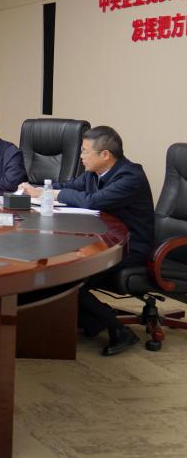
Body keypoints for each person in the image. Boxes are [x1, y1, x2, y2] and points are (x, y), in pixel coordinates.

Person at [19, 126, 154, 356]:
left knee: (66, 279)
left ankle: (119, 330)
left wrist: (50, 194)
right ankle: (92, 318)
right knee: (55, 273)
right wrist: (39, 189)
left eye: (84, 151)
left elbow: (93, 201)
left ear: (105, 155)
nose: (80, 156)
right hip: (100, 242)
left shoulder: (130, 177)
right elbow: (70, 186)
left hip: (129, 247)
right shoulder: (93, 173)